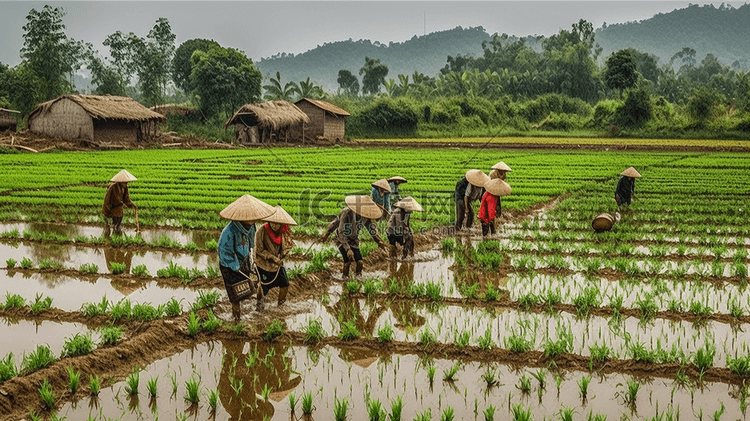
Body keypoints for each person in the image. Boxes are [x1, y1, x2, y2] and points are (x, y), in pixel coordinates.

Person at [218, 194, 275, 320]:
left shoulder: (250, 227)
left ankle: (258, 310)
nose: (254, 220)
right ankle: (236, 320)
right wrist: (236, 267)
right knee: (236, 296)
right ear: (243, 218)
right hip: (229, 265)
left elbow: (250, 245)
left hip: (243, 260)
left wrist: (251, 261)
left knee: (251, 287)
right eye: (251, 219)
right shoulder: (228, 232)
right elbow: (225, 253)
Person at [253, 205, 296, 311]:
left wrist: (283, 254)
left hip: (277, 265)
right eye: (273, 222)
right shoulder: (261, 231)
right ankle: (259, 307)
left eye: (278, 223)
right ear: (269, 221)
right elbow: (259, 250)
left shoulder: (285, 231)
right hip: (262, 263)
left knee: (285, 283)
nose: (275, 225)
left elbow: (288, 245)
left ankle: (281, 306)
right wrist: (272, 258)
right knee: (262, 288)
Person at [334, 195, 386, 277]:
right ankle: (345, 278)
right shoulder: (346, 213)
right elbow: (341, 232)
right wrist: (348, 249)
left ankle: (358, 278)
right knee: (347, 262)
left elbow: (372, 230)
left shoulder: (365, 217)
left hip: (353, 239)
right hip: (342, 239)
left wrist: (379, 241)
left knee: (360, 262)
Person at [101, 170, 137, 236]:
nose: (126, 184)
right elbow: (107, 199)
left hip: (119, 209)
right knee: (115, 224)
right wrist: (107, 209)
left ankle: (117, 234)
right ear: (120, 182)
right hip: (112, 208)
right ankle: (115, 236)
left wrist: (131, 204)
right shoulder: (113, 187)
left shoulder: (125, 187)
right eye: (125, 182)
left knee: (118, 222)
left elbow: (126, 198)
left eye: (126, 182)